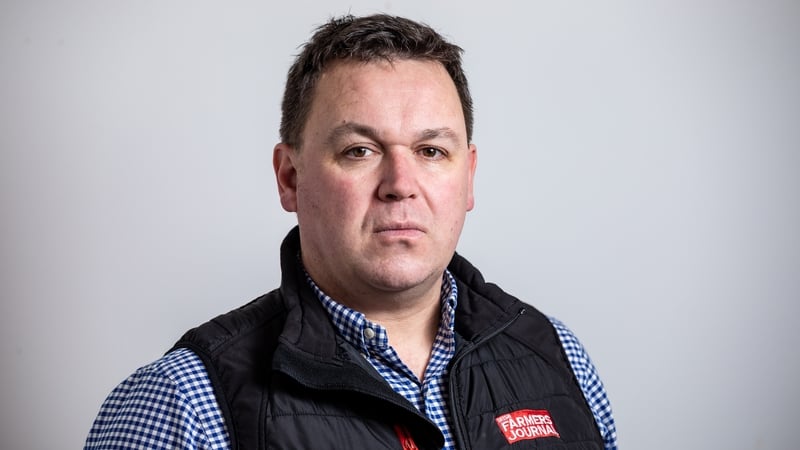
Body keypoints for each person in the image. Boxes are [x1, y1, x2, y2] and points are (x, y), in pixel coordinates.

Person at [85, 13, 617, 450]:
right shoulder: (184, 404)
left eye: (432, 151)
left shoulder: (558, 358)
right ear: (290, 178)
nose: (400, 184)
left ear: (469, 177)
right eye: (359, 151)